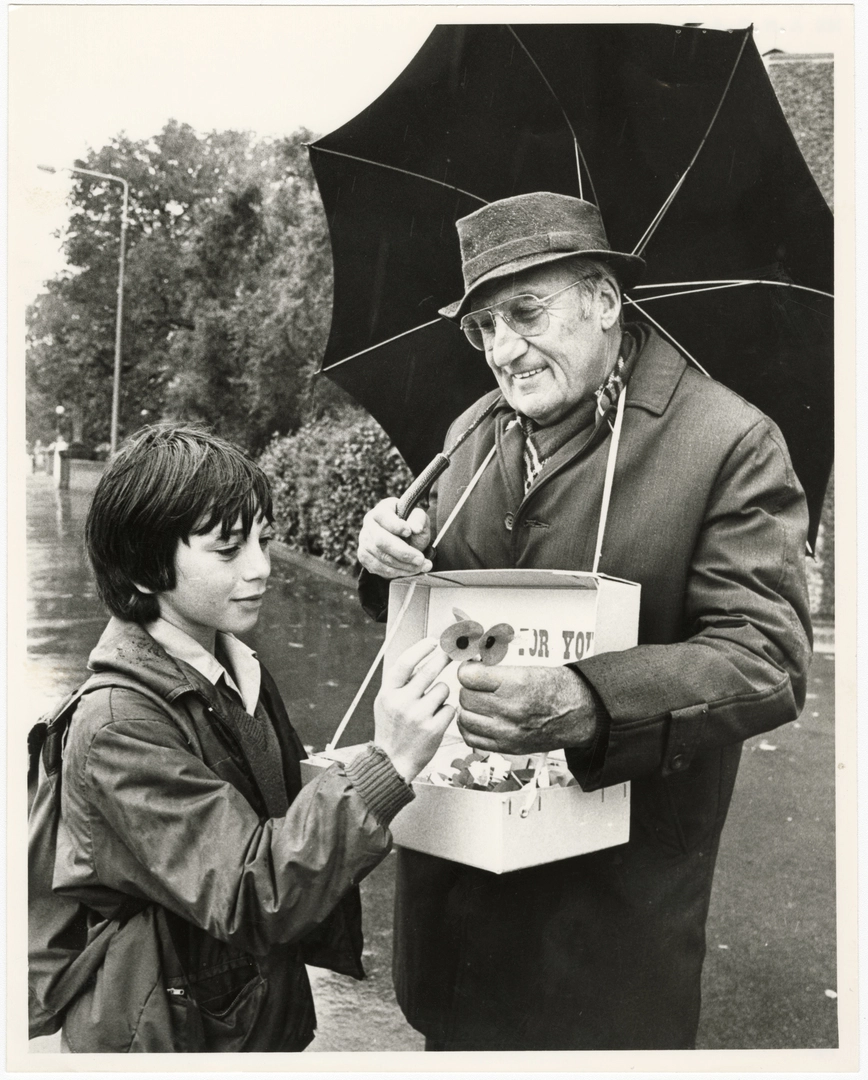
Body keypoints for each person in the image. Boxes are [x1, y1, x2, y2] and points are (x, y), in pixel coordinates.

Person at [357, 192, 813, 1051]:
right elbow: (424, 613)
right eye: (482, 327)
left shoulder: (728, 442)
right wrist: (383, 555)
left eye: (526, 313)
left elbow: (767, 659)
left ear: (606, 301)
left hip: (607, 937)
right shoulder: (470, 431)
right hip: (455, 920)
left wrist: (589, 700)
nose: (503, 351)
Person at [35, 423, 455, 1053]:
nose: (261, 567)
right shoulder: (119, 726)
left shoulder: (233, 666)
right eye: (228, 550)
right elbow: (252, 890)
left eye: (265, 539)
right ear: (146, 565)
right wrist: (385, 762)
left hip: (235, 1011)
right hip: (165, 1032)